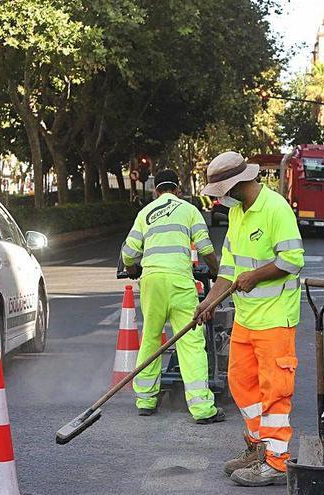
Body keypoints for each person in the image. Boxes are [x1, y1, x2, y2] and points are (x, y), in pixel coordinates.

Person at [195, 151, 304, 487]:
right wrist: (210, 302)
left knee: (275, 392)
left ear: (240, 183)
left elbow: (293, 259)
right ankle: (258, 448)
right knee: (241, 384)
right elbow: (228, 270)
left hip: (275, 319)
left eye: (223, 189)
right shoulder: (238, 213)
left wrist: (256, 276)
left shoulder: (275, 208)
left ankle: (276, 461)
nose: (221, 196)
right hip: (246, 319)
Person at [121, 169, 225, 424]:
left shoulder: (145, 213)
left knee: (151, 338)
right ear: (178, 189)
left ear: (156, 190)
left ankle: (145, 400)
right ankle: (202, 409)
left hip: (152, 282)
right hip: (180, 281)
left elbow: (128, 253)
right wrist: (215, 270)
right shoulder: (189, 210)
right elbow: (206, 248)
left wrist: (134, 269)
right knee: (190, 342)